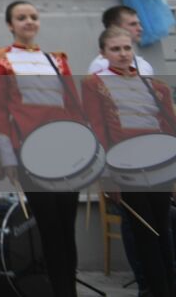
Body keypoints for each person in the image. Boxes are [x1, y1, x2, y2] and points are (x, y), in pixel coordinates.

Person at [0, 0, 85, 297]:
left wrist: (85, 151)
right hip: (30, 153)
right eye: (21, 18)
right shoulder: (0, 61)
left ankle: (69, 288)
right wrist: (8, 158)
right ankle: (60, 291)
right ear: (9, 25)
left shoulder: (57, 60)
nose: (28, 22)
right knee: (50, 227)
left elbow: (74, 108)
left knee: (68, 228)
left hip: (65, 153)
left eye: (33, 17)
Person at [84, 25, 176, 297]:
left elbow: (168, 127)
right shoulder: (94, 84)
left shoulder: (155, 86)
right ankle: (154, 289)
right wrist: (107, 174)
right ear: (103, 53)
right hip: (125, 166)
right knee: (144, 229)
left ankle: (169, 286)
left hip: (159, 163)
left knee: (163, 226)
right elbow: (98, 129)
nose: (123, 54)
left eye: (126, 48)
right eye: (115, 49)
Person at [88, 4, 154, 76]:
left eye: (127, 48)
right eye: (133, 24)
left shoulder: (143, 64)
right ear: (114, 27)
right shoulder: (100, 65)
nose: (140, 29)